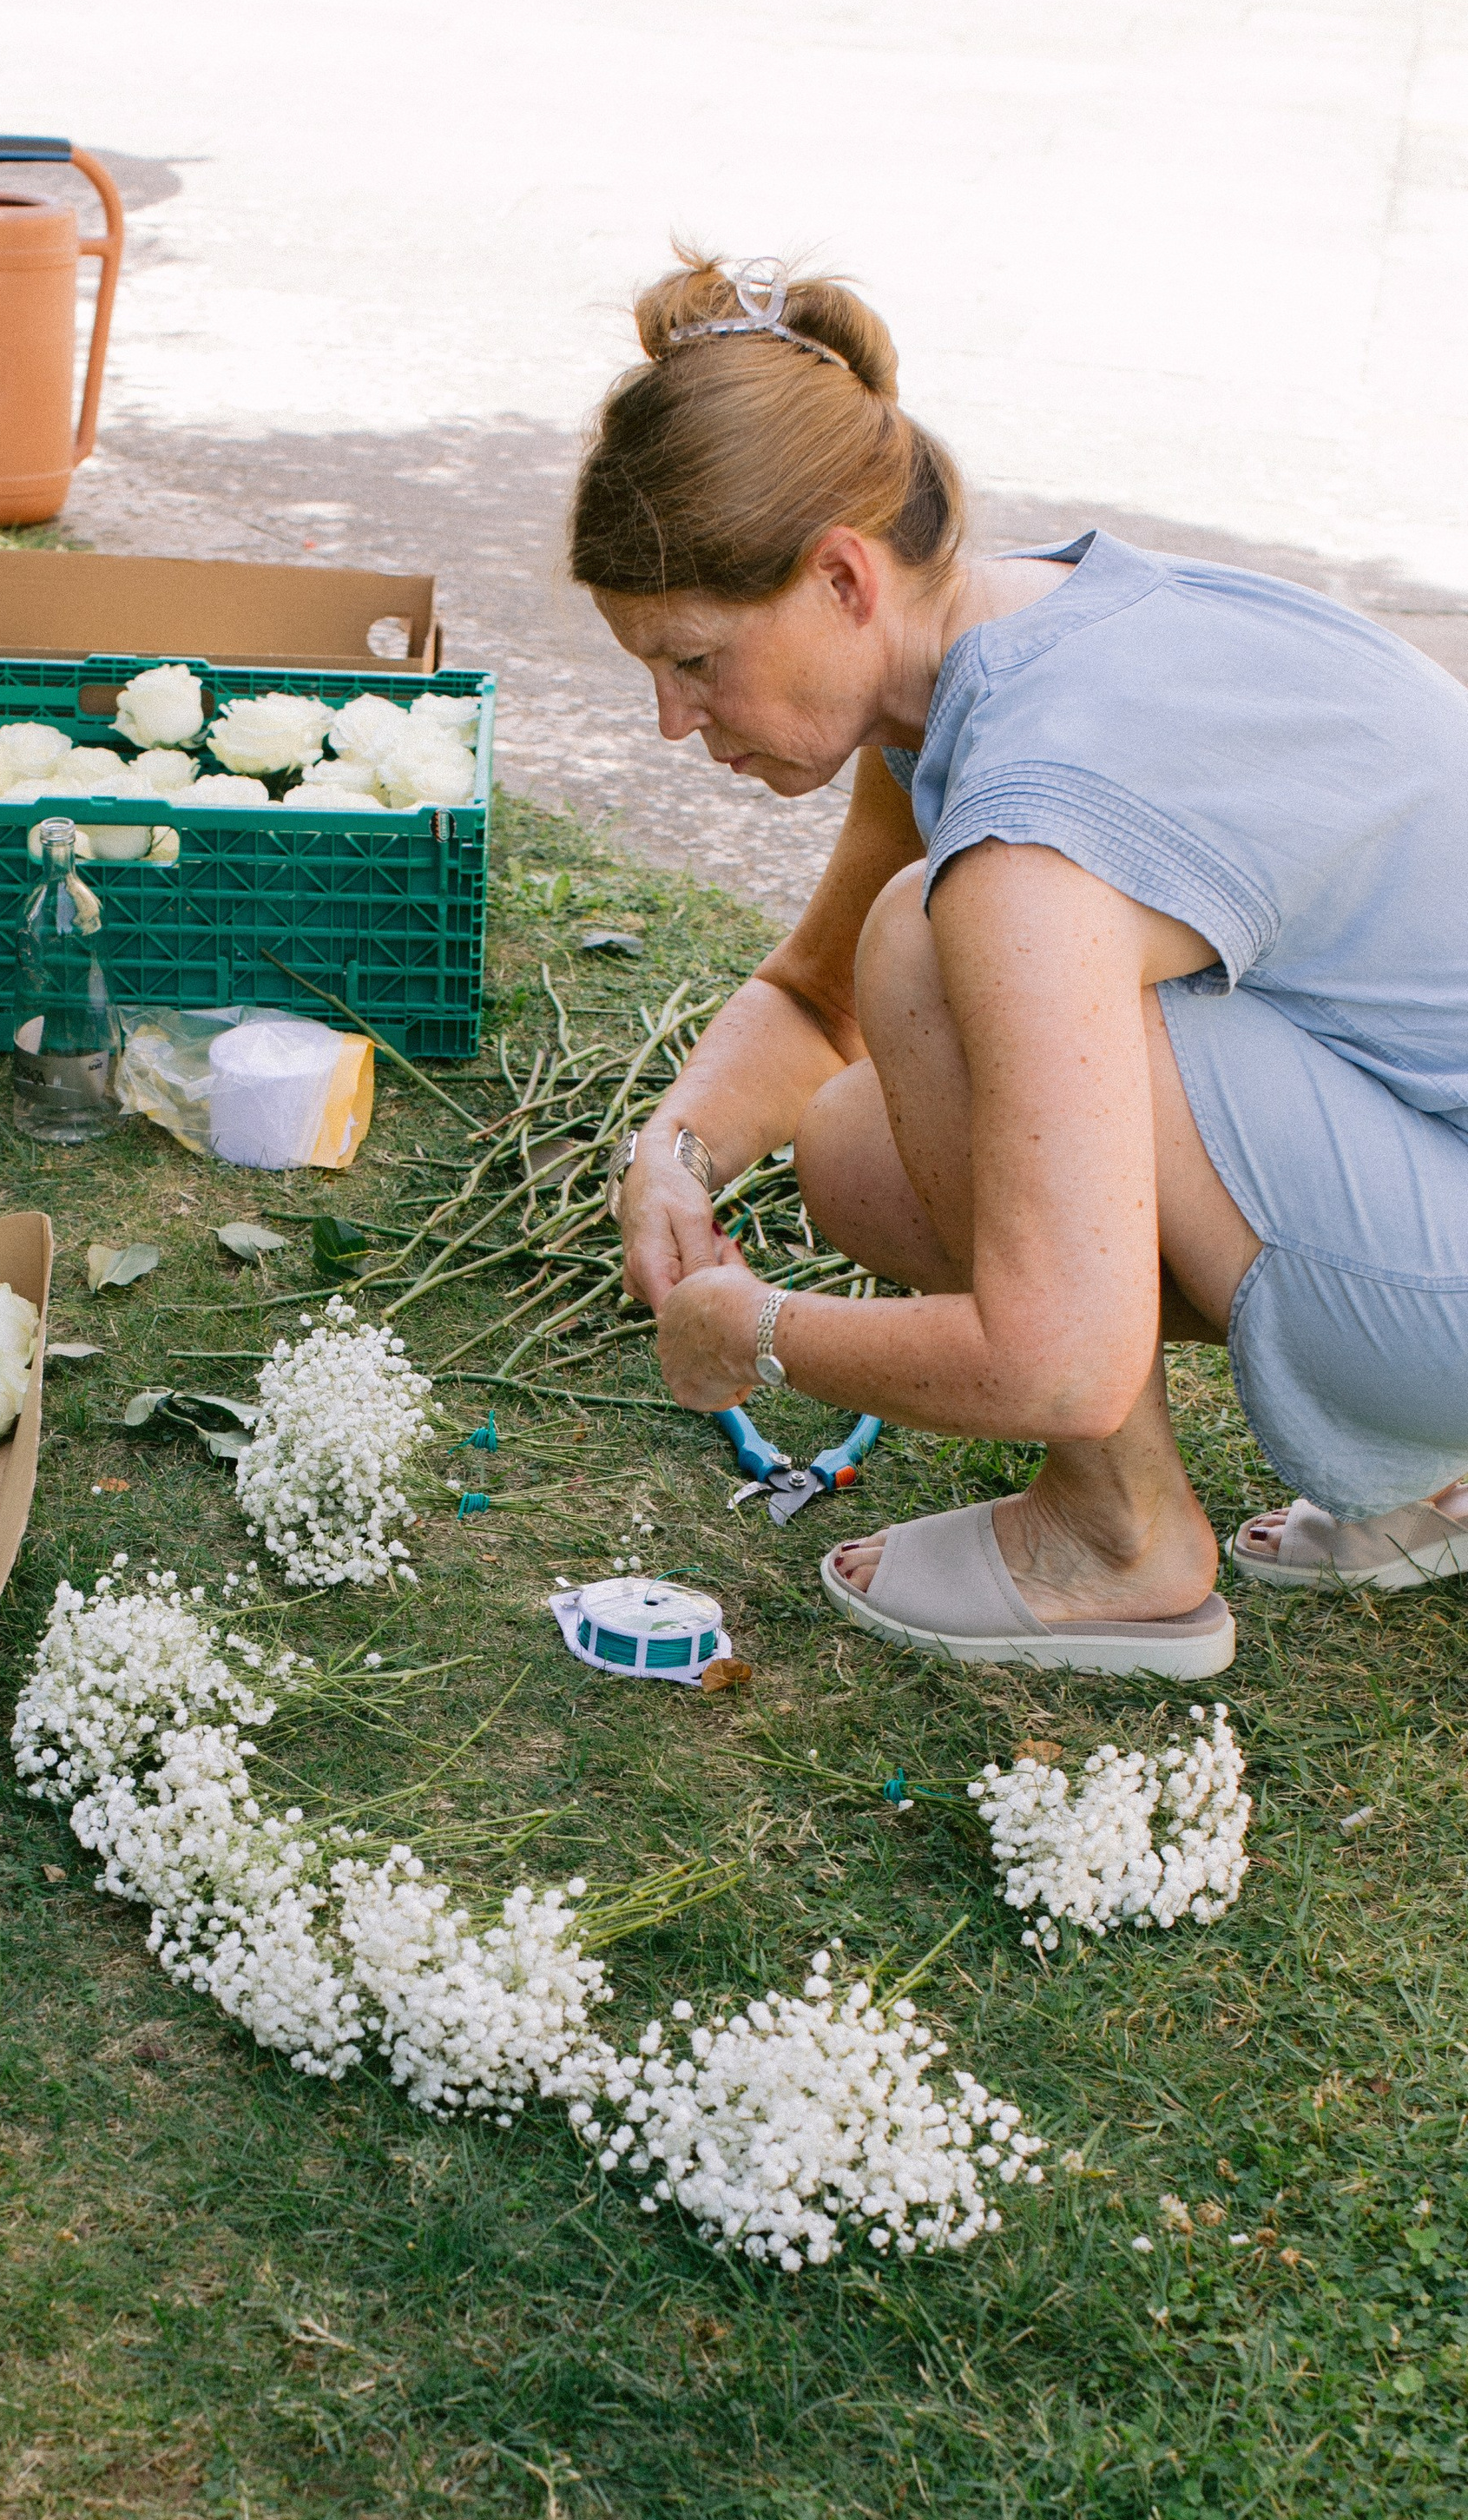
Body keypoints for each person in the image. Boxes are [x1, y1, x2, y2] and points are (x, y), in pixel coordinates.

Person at [576, 254, 1468, 1677]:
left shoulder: (1023, 828)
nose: (673, 721)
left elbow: (1064, 1358)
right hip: (1428, 1147)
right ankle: (1434, 1466)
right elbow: (814, 1002)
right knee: (858, 1143)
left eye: (694, 662)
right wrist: (676, 1151)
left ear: (842, 577)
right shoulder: (1005, 638)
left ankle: (1123, 1542)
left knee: (933, 943)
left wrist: (758, 1333)